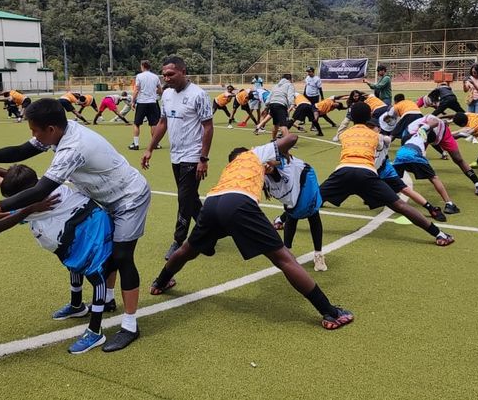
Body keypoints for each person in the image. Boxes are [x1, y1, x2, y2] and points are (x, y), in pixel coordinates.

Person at [0, 98, 151, 352]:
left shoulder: (72, 149)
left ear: (51, 129)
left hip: (128, 196)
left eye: (35, 130)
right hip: (102, 196)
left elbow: (41, 189)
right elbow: (23, 151)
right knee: (107, 251)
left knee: (122, 256)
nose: (33, 135)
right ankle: (108, 300)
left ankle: (130, 326)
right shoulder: (57, 132)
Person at [149, 134, 354, 330]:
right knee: (284, 259)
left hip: (212, 202)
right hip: (239, 203)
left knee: (187, 250)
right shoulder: (255, 153)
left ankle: (160, 282)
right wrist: (274, 148)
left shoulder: (230, 168)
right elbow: (292, 138)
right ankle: (330, 312)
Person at [0, 163, 116, 354]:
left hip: (93, 233)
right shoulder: (38, 189)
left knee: (96, 276)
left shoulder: (44, 202)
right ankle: (76, 305)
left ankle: (95, 331)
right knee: (74, 266)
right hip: (75, 233)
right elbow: (4, 178)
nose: (14, 201)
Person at [319, 102, 455, 246]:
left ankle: (292, 221)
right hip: (367, 173)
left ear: (351, 117)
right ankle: (439, 234)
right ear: (369, 116)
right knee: (400, 205)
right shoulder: (376, 135)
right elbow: (381, 144)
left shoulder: (344, 134)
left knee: (313, 197)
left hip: (343, 171)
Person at [141, 56, 214, 261]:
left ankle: (178, 241)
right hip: (176, 155)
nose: (166, 78)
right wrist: (150, 149)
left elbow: (208, 127)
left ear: (183, 71)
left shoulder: (198, 95)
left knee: (184, 199)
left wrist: (203, 158)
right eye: (164, 74)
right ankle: (209, 233)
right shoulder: (166, 94)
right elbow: (163, 123)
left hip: (193, 155)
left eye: (170, 74)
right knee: (190, 197)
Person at [264, 154, 326, 271]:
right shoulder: (263, 178)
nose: (267, 165)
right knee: (292, 213)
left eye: (268, 162)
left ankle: (318, 254)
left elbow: (288, 148)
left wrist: (272, 162)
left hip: (304, 176)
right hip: (289, 187)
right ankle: (287, 253)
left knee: (313, 214)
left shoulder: (282, 162)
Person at [405, 114, 478, 196]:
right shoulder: (411, 136)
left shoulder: (422, 124)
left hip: (443, 133)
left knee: (458, 159)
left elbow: (435, 120)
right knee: (412, 160)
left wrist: (424, 128)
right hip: (426, 138)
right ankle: (397, 184)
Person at [392, 130, 460, 215]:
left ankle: (385, 198)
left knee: (393, 180)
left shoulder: (414, 136)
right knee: (434, 178)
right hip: (413, 155)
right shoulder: (423, 140)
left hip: (400, 154)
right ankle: (449, 204)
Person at [130, 60, 163, 150]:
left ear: (143, 66)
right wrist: (154, 93)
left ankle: (136, 144)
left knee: (137, 124)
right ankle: (155, 144)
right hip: (152, 102)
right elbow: (160, 90)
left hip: (142, 102)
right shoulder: (155, 77)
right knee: (154, 124)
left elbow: (136, 89)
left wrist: (133, 101)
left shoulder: (139, 76)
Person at [254, 74, 295, 140]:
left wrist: (267, 105)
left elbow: (270, 96)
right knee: (283, 125)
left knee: (276, 125)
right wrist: (292, 104)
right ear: (289, 79)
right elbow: (291, 95)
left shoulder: (275, 86)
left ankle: (273, 140)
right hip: (281, 105)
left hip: (272, 104)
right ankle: (288, 143)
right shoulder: (289, 85)